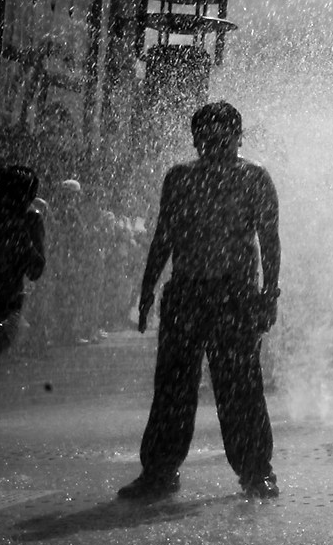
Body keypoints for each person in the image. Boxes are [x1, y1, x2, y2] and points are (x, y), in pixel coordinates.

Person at [120, 102, 282, 501]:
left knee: (240, 388)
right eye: (205, 138)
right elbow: (164, 236)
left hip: (235, 296)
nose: (213, 145)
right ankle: (159, 471)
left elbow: (270, 240)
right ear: (195, 140)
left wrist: (269, 294)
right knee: (172, 387)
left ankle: (256, 471)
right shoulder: (179, 179)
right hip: (186, 292)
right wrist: (147, 290)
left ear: (238, 137)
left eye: (222, 137)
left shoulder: (254, 178)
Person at [0, 166, 47, 466]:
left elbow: (35, 270)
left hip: (7, 311)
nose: (17, 203)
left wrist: (20, 237)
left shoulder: (30, 221)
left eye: (23, 198)